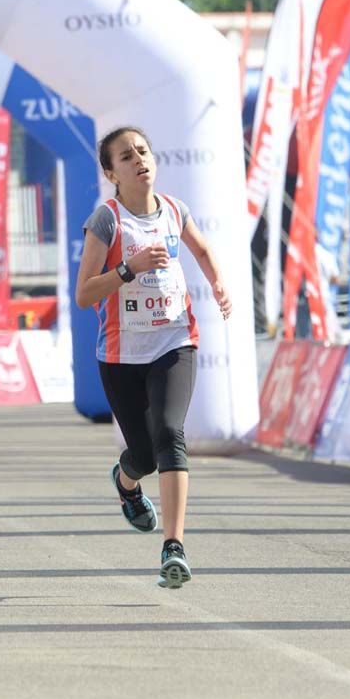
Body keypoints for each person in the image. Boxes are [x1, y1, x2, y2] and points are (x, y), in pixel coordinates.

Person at [75, 125, 231, 589]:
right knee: (141, 453)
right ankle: (126, 484)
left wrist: (218, 282)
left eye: (143, 151)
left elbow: (202, 250)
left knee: (169, 435)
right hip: (122, 354)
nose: (138, 160)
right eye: (126, 156)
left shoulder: (174, 211)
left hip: (174, 341)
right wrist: (127, 268)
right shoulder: (107, 220)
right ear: (111, 173)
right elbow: (85, 294)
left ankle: (174, 546)